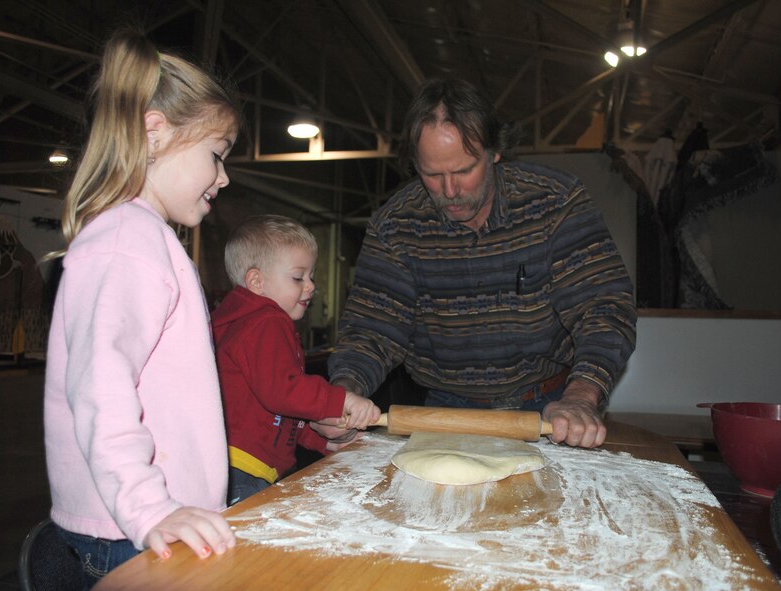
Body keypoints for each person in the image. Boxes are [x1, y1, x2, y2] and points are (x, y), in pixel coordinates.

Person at [327, 78, 637, 449]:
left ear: (494, 152)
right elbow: (372, 331)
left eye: (463, 171)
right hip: (447, 412)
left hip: (550, 410)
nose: (450, 191)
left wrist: (582, 396)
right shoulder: (395, 226)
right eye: (432, 175)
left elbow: (603, 308)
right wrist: (341, 395)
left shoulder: (556, 202)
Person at [43, 28, 241, 586]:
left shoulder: (143, 237)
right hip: (128, 530)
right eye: (216, 155)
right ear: (156, 133)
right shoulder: (126, 240)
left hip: (141, 521)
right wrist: (149, 508)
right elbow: (101, 388)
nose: (224, 177)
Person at [212, 215, 380, 505]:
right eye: (298, 277)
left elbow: (277, 416)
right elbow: (284, 392)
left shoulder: (248, 324)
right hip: (242, 470)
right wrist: (343, 401)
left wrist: (321, 441)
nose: (311, 286)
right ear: (257, 281)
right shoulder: (266, 322)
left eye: (311, 276)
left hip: (235, 465)